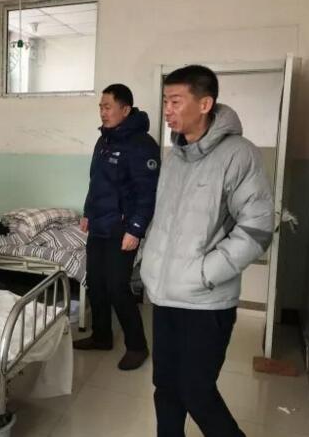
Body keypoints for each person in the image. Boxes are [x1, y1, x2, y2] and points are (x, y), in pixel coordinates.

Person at [140, 65, 274, 436]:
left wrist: (203, 273)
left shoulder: (239, 155)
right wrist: (149, 263)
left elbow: (257, 229)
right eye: (165, 101)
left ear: (205, 104)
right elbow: (164, 220)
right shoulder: (174, 156)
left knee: (196, 392)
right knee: (166, 388)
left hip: (205, 302)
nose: (167, 110)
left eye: (175, 101)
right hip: (165, 296)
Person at [74, 84, 160, 371]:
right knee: (96, 283)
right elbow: (95, 182)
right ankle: (101, 336)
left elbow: (147, 193)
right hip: (99, 224)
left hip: (122, 229)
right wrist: (88, 212)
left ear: (125, 109)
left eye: (107, 106)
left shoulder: (142, 144)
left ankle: (137, 346)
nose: (102, 112)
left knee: (117, 287)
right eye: (101, 106)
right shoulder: (104, 140)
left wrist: (135, 230)